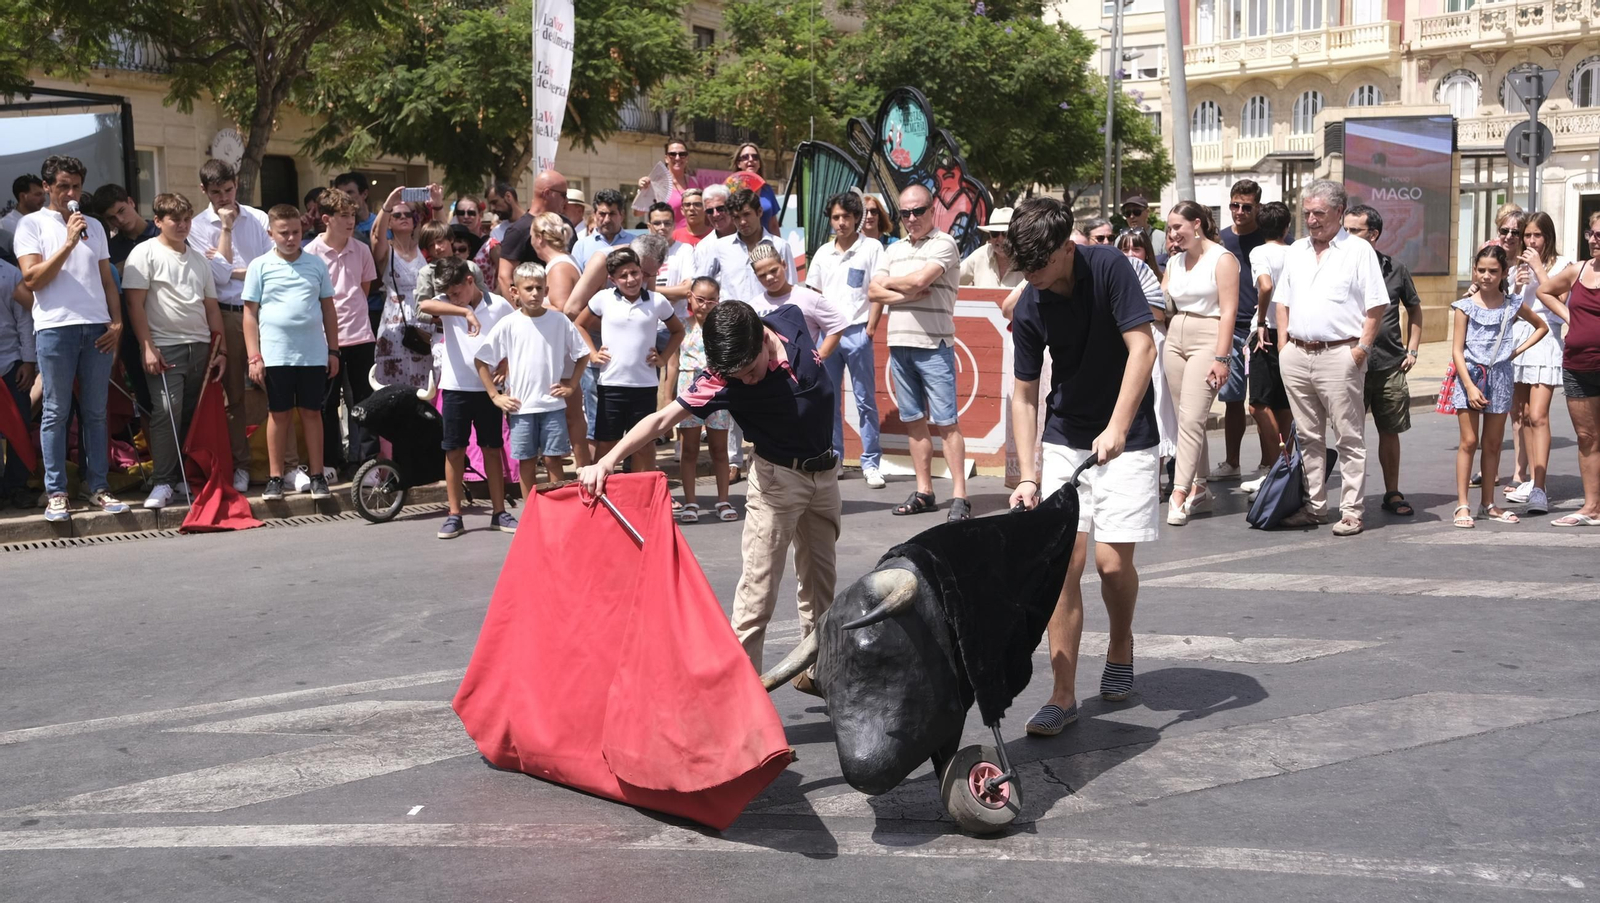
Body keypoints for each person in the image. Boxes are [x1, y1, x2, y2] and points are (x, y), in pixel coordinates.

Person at [578, 299, 840, 685]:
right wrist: (608, 460)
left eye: (751, 371)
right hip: (777, 483)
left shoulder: (789, 318)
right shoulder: (720, 379)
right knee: (758, 593)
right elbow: (662, 418)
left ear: (764, 339)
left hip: (825, 475)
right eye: (740, 377)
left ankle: (819, 674)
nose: (748, 381)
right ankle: (741, 702)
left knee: (821, 587)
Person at [1004, 198, 1159, 735]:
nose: (1032, 278)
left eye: (1039, 267)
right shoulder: (1030, 303)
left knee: (1111, 565)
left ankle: (1120, 644)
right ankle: (1063, 694)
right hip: (1067, 437)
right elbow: (1024, 396)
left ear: (1067, 248)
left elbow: (1142, 349)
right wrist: (1028, 473)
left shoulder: (1110, 267)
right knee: (1061, 565)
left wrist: (1118, 425)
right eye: (1024, 270)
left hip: (1128, 434)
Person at [14, 154, 131, 521]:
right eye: (63, 186)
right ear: (47, 186)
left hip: (96, 328)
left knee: (97, 412)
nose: (70, 193)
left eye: (76, 186)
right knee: (55, 412)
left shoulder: (93, 226)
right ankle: (57, 492)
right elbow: (32, 280)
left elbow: (106, 279)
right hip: (55, 328)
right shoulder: (31, 226)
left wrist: (117, 322)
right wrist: (66, 243)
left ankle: (97, 487)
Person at [1274, 180, 1387, 536]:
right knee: (1308, 436)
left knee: (1348, 437)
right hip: (1296, 353)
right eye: (1306, 213)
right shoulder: (1295, 251)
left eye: (1319, 213)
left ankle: (1351, 510)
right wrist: (1283, 347)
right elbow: (1283, 301)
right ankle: (1316, 506)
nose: (1311, 220)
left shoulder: (1358, 251)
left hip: (1341, 354)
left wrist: (1361, 350)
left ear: (1340, 212)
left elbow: (1376, 304)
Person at [120, 192, 226, 509]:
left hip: (201, 347)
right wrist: (147, 347)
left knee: (192, 416)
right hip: (165, 347)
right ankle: (163, 482)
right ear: (158, 221)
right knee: (167, 413)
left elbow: (212, 309)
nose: (182, 225)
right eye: (174, 220)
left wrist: (221, 349)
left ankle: (184, 478)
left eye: (186, 219)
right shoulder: (143, 253)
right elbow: (134, 305)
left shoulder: (198, 260)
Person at [870, 184, 968, 520]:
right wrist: (908, 293)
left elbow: (917, 280)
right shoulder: (893, 249)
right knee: (913, 422)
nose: (912, 218)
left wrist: (898, 285)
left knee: (946, 423)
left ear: (931, 210)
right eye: (905, 212)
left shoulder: (944, 243)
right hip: (900, 345)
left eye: (918, 211)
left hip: (934, 344)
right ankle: (925, 490)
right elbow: (873, 290)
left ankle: (959, 496)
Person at [242, 204, 340, 502]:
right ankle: (275, 478)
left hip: (312, 354)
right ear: (271, 233)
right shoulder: (259, 266)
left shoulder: (315, 264)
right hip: (275, 354)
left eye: (296, 232)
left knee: (313, 413)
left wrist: (333, 351)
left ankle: (317, 475)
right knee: (278, 414)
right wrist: (254, 356)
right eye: (284, 233)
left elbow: (328, 309)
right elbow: (249, 314)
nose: (290, 238)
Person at [419, 257, 517, 539]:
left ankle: (499, 512)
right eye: (448, 294)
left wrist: (507, 363)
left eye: (457, 292)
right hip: (454, 387)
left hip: (489, 392)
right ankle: (454, 515)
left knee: (491, 448)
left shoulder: (498, 305)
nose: (453, 298)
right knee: (454, 451)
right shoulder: (449, 305)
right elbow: (424, 305)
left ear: (470, 281)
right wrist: (463, 312)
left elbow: (514, 335)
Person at [1450, 245, 1548, 528]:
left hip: (1501, 377)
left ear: (1504, 272)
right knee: (1469, 442)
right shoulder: (1464, 306)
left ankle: (1488, 504)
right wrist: (1468, 386)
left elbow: (1541, 326)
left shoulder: (1513, 304)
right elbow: (1457, 350)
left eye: (1493, 271)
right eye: (1481, 270)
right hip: (1470, 376)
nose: (1486, 276)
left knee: (1492, 444)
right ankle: (1462, 504)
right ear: (1475, 271)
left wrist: (1515, 351)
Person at [474, 262, 590, 493]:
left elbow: (582, 354)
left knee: (553, 460)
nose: (535, 293)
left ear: (547, 290)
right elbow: (482, 360)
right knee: (526, 462)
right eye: (528, 288)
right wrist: (495, 396)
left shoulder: (559, 321)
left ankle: (555, 513)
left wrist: (572, 384)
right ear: (515, 291)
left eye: (539, 288)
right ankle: (531, 517)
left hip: (552, 405)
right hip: (521, 408)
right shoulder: (508, 323)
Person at [189, 159, 269, 493]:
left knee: (273, 389)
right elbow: (218, 277)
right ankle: (241, 466)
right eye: (217, 192)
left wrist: (234, 268)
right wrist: (225, 229)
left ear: (237, 184)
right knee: (234, 395)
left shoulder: (259, 218)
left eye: (229, 189)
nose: (224, 197)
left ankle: (285, 465)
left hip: (262, 310)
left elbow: (268, 269)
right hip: (225, 312)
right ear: (205, 191)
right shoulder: (195, 227)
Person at [1159, 201, 1238, 526]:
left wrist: (1222, 357)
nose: (1173, 233)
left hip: (1209, 333)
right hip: (1175, 334)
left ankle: (1179, 492)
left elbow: (1230, 311)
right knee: (1184, 418)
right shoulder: (1175, 262)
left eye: (1178, 227)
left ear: (1197, 224)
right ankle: (1200, 487)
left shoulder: (1222, 259)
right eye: (1169, 228)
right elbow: (1162, 301)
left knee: (1192, 418)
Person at [1343, 204, 1424, 518]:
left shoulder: (1395, 268)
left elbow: (1414, 308)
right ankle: (1352, 500)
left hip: (1389, 364)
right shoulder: (1337, 267)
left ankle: (1392, 492)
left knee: (1389, 431)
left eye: (1354, 231)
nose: (1346, 237)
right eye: (1344, 230)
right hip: (1350, 364)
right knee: (1351, 434)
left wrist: (1413, 349)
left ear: (1373, 234)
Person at [575, 247, 682, 476]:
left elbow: (678, 332)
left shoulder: (657, 301)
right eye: (623, 276)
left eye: (634, 272)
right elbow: (579, 323)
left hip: (644, 386)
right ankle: (609, 495)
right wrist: (593, 353)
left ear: (642, 272)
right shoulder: (603, 298)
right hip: (610, 385)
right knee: (607, 443)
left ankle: (643, 495)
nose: (630, 279)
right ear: (612, 280)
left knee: (643, 446)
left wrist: (662, 358)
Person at [807, 191, 886, 488]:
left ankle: (871, 461)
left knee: (865, 399)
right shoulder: (823, 253)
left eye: (846, 217)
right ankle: (835, 457)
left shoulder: (872, 248)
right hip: (828, 334)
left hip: (857, 330)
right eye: (836, 217)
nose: (841, 223)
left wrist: (870, 328)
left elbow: (878, 288)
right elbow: (813, 294)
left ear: (857, 219)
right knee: (829, 400)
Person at [1504, 211, 1572, 516]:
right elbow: (1510, 309)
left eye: (1537, 236)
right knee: (1523, 414)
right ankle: (1530, 479)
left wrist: (1538, 270)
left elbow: (1560, 308)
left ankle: (1540, 488)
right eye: (1527, 236)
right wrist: (1517, 287)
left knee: (1540, 414)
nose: (1531, 241)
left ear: (1548, 237)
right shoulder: (1516, 267)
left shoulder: (1562, 266)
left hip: (1545, 340)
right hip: (1518, 341)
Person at [307, 187, 379, 475]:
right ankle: (331, 461)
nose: (351, 221)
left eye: (353, 215)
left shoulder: (361, 249)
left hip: (360, 335)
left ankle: (364, 461)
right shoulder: (310, 253)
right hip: (324, 338)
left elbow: (364, 289)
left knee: (363, 401)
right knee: (326, 403)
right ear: (326, 218)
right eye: (344, 216)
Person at [1534, 211, 1600, 526]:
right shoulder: (1577, 271)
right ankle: (1591, 507)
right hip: (1578, 365)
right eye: (1593, 233)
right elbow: (1543, 291)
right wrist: (1571, 318)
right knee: (1586, 436)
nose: (1595, 238)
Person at [1214, 179, 1276, 483]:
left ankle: (1268, 463)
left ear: (1258, 207)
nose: (1239, 211)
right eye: (1234, 205)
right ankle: (1232, 462)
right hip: (1229, 330)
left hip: (1261, 332)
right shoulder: (1220, 241)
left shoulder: (1272, 240)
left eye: (1246, 207)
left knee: (1262, 401)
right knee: (1232, 400)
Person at [672, 277, 736, 523]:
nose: (705, 305)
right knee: (689, 450)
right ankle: (690, 501)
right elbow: (672, 361)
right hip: (688, 389)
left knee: (720, 449)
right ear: (690, 297)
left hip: (718, 390)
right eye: (700, 299)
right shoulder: (681, 326)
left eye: (711, 300)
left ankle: (723, 499)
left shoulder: (723, 327)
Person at [1242, 201, 1294, 493]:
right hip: (1293, 332)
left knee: (1258, 403)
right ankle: (1281, 469)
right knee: (1282, 404)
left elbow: (1264, 285)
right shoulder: (1298, 251)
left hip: (1268, 334)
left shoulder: (1259, 252)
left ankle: (1278, 466)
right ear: (1287, 227)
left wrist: (1261, 319)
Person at [1116, 228, 1177, 469]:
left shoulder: (1159, 276)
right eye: (1125, 248)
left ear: (1147, 252)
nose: (1130, 253)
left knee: (1157, 403)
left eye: (1136, 248)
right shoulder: (1113, 276)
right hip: (1124, 342)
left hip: (1152, 339)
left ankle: (1157, 470)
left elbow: (1161, 313)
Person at [696, 188, 796, 307]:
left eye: (746, 214)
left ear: (759, 212)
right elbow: (700, 285)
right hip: (732, 320)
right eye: (736, 217)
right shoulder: (719, 247)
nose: (742, 222)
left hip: (770, 319)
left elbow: (792, 288)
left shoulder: (779, 246)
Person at [752, 242, 847, 357]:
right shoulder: (753, 306)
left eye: (773, 270)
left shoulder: (808, 298)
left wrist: (819, 356)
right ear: (756, 276)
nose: (769, 277)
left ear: (784, 264)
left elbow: (837, 324)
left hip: (802, 373)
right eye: (762, 275)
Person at [0, 257, 36, 507]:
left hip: (12, 363)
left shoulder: (11, 274)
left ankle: (17, 486)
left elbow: (25, 320)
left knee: (20, 427)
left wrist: (28, 361)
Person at [93, 184, 160, 267]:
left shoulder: (164, 233)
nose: (120, 220)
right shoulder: (110, 249)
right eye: (112, 218)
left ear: (131, 202)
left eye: (121, 211)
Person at [572, 189, 635, 273]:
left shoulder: (634, 243)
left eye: (612, 214)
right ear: (594, 215)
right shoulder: (581, 247)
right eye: (602, 214)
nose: (607, 220)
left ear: (622, 215)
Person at [637, 140, 694, 229]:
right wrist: (643, 190)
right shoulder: (656, 184)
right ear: (666, 158)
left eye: (682, 154)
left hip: (690, 239)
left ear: (687, 158)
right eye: (672, 154)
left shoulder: (695, 182)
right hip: (666, 239)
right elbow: (637, 212)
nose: (677, 158)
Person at [960, 207, 1023, 288]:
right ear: (989, 235)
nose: (1000, 239)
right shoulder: (981, 255)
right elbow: (952, 279)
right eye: (995, 233)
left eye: (1005, 233)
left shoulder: (1025, 259)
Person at [731, 142, 781, 235]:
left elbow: (773, 224)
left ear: (759, 164)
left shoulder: (767, 189)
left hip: (766, 246)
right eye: (745, 157)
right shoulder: (731, 190)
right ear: (739, 164)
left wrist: (778, 248)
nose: (751, 160)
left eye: (755, 157)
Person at [2, 174, 47, 263]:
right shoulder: (6, 224)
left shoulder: (45, 221)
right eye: (38, 195)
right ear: (22, 196)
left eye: (44, 194)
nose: (44, 199)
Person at [1120, 195, 1166, 259]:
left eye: (1137, 212)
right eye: (1127, 213)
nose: (1132, 216)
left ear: (1147, 212)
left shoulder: (1162, 239)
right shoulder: (1120, 239)